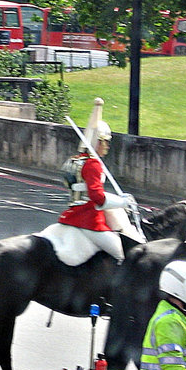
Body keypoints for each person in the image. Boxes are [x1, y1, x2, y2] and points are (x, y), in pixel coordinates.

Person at [58, 97, 127, 262]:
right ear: (99, 142)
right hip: (89, 220)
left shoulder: (74, 160)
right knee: (121, 255)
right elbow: (96, 196)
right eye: (106, 142)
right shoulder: (93, 164)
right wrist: (122, 202)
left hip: (70, 214)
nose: (108, 147)